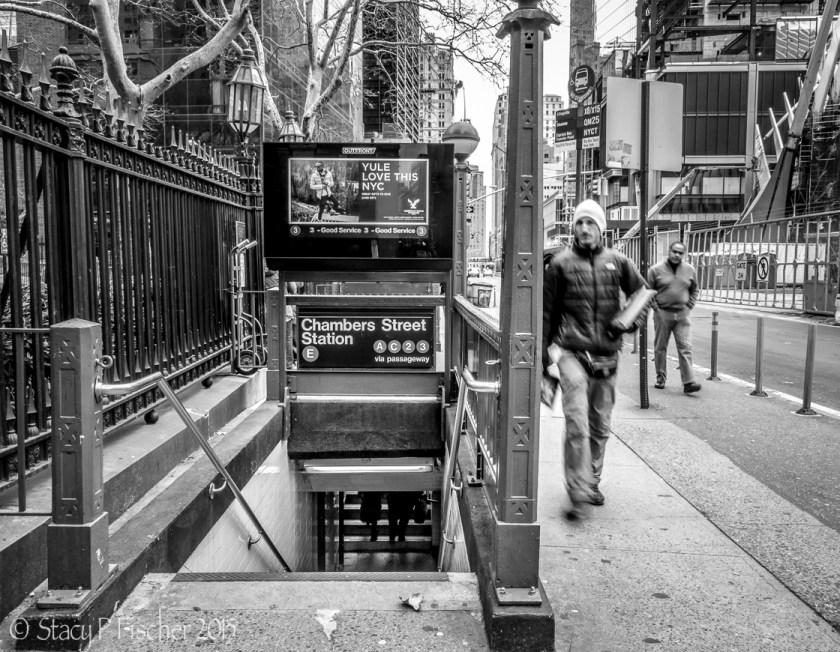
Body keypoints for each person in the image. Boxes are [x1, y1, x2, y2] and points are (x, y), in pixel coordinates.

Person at [542, 199, 647, 519]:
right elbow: (547, 314)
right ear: (573, 227)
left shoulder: (619, 262)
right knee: (576, 423)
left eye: (591, 223)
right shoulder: (559, 265)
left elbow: (642, 295)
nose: (584, 228)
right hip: (572, 354)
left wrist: (629, 321)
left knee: (600, 426)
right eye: (579, 223)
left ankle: (592, 480)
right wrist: (542, 359)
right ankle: (576, 490)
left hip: (607, 357)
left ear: (601, 228)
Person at [648, 241, 701, 393]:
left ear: (683, 254)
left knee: (686, 348)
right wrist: (656, 308)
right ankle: (660, 378)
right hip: (663, 313)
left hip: (682, 314)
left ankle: (689, 382)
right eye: (674, 252)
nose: (677, 255)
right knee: (660, 348)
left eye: (680, 253)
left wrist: (690, 305)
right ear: (669, 251)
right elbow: (648, 290)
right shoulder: (655, 270)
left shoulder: (689, 270)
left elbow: (694, 289)